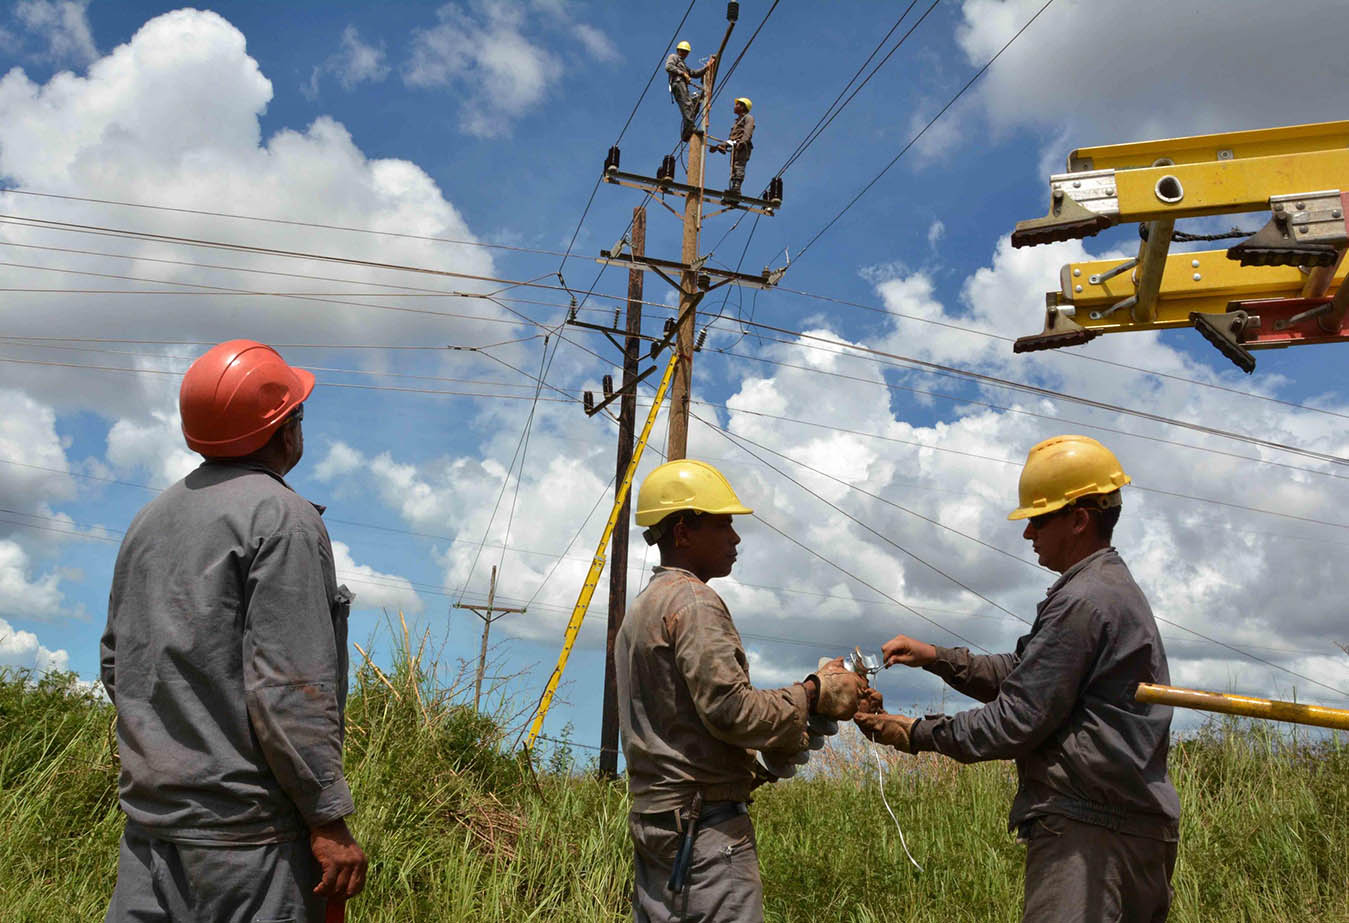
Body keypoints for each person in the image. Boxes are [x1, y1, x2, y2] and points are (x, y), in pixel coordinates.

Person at [856, 435, 1180, 923]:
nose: (1028, 533)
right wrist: (936, 657)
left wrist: (916, 733)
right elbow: (1029, 676)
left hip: (1091, 838)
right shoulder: (1104, 589)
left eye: (1038, 518)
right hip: (1125, 828)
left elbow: (1017, 718)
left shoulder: (1083, 602)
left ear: (1078, 518)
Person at [101, 339, 367, 922]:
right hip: (248, 850)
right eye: (298, 414)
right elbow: (288, 686)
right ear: (284, 428)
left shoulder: (149, 520)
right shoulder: (282, 519)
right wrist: (327, 818)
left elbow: (118, 664)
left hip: (150, 838)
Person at [615, 459, 866, 923]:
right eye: (724, 524)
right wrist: (813, 693)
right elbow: (731, 711)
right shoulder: (693, 601)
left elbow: (687, 726)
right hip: (704, 835)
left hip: (660, 829)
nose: (735, 538)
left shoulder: (642, 609)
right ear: (684, 532)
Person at [666, 40, 715, 143]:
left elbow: (693, 73)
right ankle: (691, 129)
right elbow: (668, 67)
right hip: (678, 83)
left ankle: (686, 132)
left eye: (686, 52)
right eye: (682, 51)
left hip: (682, 84)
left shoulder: (682, 63)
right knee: (687, 105)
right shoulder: (673, 57)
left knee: (693, 105)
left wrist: (706, 68)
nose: (684, 53)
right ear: (678, 50)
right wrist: (683, 74)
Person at [714, 97, 754, 196]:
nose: (735, 106)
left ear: (743, 107)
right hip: (736, 146)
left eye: (738, 104)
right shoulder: (737, 122)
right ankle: (733, 188)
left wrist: (743, 142)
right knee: (734, 168)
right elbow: (732, 139)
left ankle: (736, 189)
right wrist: (721, 146)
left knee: (739, 166)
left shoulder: (748, 118)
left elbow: (748, 132)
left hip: (743, 146)